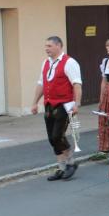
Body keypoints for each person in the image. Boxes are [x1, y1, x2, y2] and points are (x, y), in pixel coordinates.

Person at [31, 36, 82, 181]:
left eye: (49, 46)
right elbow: (41, 83)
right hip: (49, 104)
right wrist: (35, 102)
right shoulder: (46, 63)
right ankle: (61, 168)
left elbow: (77, 85)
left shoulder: (70, 63)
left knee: (57, 136)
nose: (46, 49)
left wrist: (76, 104)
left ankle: (71, 163)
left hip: (64, 104)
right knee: (52, 139)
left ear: (59, 46)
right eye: (46, 46)